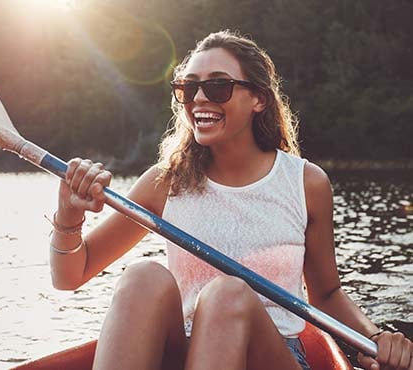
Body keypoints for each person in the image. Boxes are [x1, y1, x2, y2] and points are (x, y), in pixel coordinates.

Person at [48, 30, 412, 370]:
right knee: (143, 277)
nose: (200, 99)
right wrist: (68, 216)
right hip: (187, 353)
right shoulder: (165, 182)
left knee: (228, 295)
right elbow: (71, 276)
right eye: (189, 88)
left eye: (218, 86)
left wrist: (375, 336)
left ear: (258, 99)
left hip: (274, 354)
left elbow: (327, 293)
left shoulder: (305, 182)